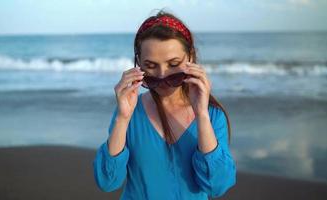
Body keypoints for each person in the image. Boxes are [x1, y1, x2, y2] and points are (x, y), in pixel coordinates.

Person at [93, 9, 236, 200]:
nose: (162, 75)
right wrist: (122, 118)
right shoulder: (128, 114)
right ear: (138, 63)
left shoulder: (212, 116)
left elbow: (217, 186)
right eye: (151, 66)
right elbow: (107, 181)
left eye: (173, 63)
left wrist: (201, 114)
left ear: (190, 57)